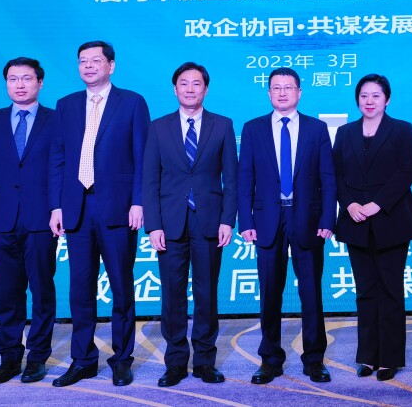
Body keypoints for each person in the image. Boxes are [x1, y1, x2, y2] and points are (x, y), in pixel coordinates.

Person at [48, 40, 150, 387]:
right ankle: (83, 360)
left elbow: (143, 158)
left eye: (95, 60)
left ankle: (122, 359)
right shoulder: (66, 105)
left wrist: (139, 201)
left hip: (119, 208)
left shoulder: (132, 103)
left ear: (111, 65)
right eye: (82, 61)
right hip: (77, 208)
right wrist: (57, 205)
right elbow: (58, 158)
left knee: (121, 288)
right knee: (80, 291)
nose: (88, 66)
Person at [237, 67, 337, 385]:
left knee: (311, 293)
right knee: (269, 293)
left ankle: (314, 359)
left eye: (288, 87)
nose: (282, 92)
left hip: (307, 218)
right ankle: (270, 359)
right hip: (267, 219)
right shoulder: (253, 129)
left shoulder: (316, 129)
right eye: (276, 87)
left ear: (299, 92)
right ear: (268, 93)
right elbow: (244, 179)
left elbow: (327, 178)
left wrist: (327, 220)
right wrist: (245, 221)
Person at [142, 62, 237, 387]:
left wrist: (228, 220)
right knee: (172, 295)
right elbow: (149, 180)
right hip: (169, 224)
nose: (190, 89)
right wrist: (153, 225)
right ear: (175, 89)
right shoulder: (158, 127)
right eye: (184, 83)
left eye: (197, 84)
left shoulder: (222, 125)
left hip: (210, 221)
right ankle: (176, 363)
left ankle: (206, 362)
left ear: (206, 89)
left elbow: (232, 180)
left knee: (207, 294)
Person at [0, 57, 58, 384]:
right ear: (6, 83)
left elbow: (59, 169)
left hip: (42, 218)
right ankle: (9, 357)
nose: (19, 84)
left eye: (26, 78)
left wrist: (58, 208)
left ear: (39, 83)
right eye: (13, 79)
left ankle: (37, 357)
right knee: (7, 292)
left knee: (41, 290)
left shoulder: (56, 119)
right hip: (1, 217)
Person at [333, 74, 412, 382]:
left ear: (387, 99)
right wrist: (350, 204)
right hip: (355, 222)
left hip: (390, 220)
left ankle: (390, 358)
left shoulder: (401, 130)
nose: (369, 101)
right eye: (364, 96)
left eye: (376, 96)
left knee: (391, 291)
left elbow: (407, 171)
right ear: (357, 99)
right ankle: (368, 356)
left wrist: (378, 204)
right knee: (365, 292)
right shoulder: (345, 132)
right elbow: (336, 174)